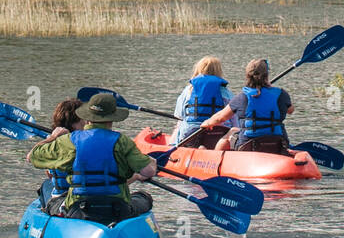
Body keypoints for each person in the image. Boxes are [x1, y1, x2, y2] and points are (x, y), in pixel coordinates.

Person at [28, 92, 157, 224]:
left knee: (50, 202)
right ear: (112, 118)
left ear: (88, 118)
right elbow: (148, 171)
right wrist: (151, 163)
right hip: (117, 210)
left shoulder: (69, 141)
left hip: (78, 210)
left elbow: (32, 156)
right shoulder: (123, 141)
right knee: (143, 197)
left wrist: (53, 137)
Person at [198, 58, 294, 154]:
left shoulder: (242, 97)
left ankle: (215, 158)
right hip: (277, 143)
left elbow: (220, 117)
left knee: (231, 133)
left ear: (248, 76)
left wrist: (207, 122)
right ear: (266, 76)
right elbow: (290, 110)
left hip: (248, 145)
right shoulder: (281, 94)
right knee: (235, 129)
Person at [25, 98, 84, 214]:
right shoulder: (85, 141)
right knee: (47, 184)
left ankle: (45, 210)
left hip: (65, 198)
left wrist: (52, 138)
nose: (87, 123)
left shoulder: (52, 144)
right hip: (77, 197)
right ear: (73, 123)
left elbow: (31, 157)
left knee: (46, 185)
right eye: (83, 120)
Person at [171, 57, 233, 148]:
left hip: (190, 135)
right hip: (217, 135)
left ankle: (173, 146)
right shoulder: (226, 92)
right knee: (234, 129)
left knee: (180, 125)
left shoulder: (188, 90)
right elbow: (234, 116)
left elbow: (179, 116)